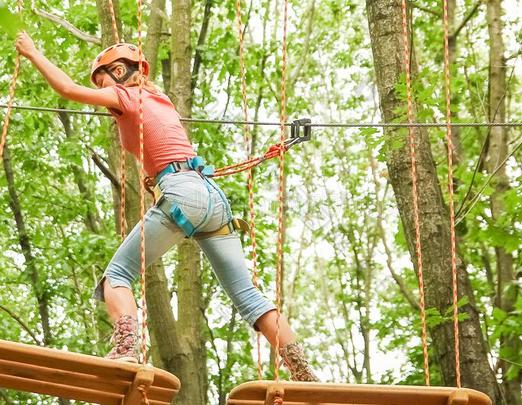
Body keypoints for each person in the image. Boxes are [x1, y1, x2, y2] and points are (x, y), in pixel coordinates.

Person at [15, 32, 318, 382]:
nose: (104, 96)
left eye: (103, 83)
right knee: (248, 295)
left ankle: (126, 349)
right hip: (212, 196)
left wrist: (34, 52)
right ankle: (303, 370)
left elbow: (67, 90)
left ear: (118, 71)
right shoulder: (158, 97)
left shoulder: (124, 95)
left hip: (182, 194)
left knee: (117, 276)